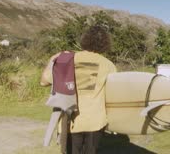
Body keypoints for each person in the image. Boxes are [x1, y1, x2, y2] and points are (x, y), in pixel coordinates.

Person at [41, 25, 117, 154]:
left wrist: (52, 59)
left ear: (84, 40)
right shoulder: (109, 65)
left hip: (70, 120)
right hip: (95, 121)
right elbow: (113, 94)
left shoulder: (65, 59)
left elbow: (43, 82)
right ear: (105, 44)